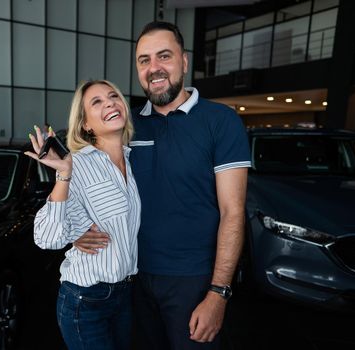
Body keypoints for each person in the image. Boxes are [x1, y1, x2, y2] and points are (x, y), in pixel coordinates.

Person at [74, 21, 251, 349]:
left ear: (184, 61)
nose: (153, 68)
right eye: (144, 60)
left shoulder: (220, 121)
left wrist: (219, 293)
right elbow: (92, 182)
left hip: (194, 282)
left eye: (164, 56)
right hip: (131, 280)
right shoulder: (126, 126)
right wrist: (78, 226)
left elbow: (233, 211)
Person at [26, 79, 141, 350]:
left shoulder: (133, 161)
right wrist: (63, 175)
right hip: (86, 300)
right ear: (86, 124)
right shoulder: (76, 165)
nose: (110, 102)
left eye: (113, 96)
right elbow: (45, 238)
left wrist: (77, 232)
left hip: (125, 294)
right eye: (97, 101)